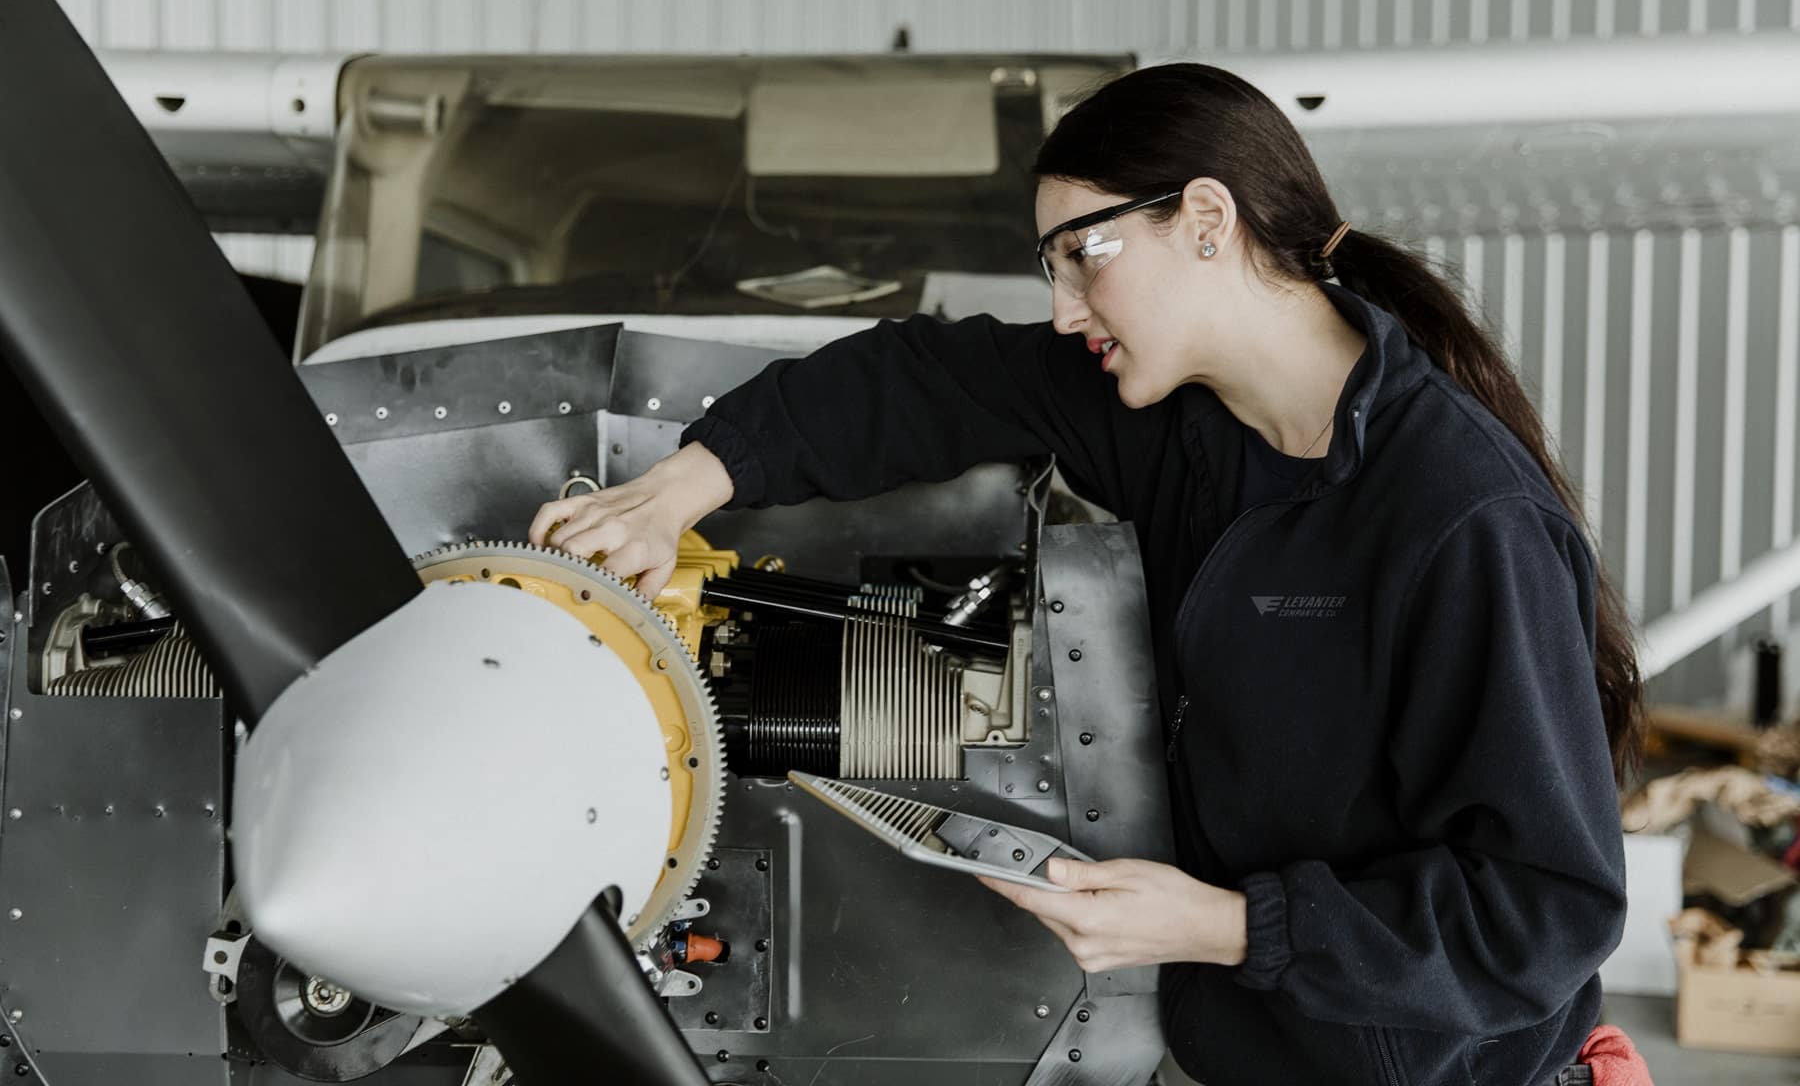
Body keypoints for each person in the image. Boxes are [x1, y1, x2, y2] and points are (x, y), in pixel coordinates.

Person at [529, 63, 1642, 1086]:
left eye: (1084, 256)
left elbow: (1541, 917)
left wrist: (1222, 926)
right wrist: (688, 483)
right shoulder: (1174, 427)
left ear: (1207, 221)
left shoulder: (1460, 518)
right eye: (1049, 268)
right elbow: (920, 378)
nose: (1065, 310)